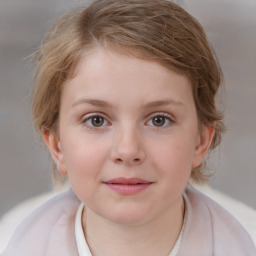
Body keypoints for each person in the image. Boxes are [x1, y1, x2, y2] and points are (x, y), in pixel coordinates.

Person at [2, 0, 256, 255]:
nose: (127, 150)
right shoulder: (10, 242)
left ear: (201, 141)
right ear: (57, 145)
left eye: (159, 120)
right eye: (96, 120)